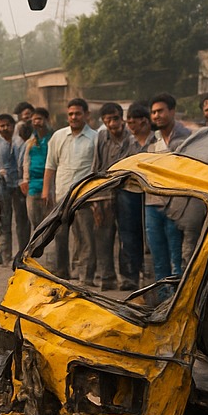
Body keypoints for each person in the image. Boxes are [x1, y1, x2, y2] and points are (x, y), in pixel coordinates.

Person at [43, 98, 100, 282]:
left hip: (84, 197)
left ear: (86, 115)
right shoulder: (58, 136)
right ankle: (62, 272)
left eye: (77, 113)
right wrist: (46, 190)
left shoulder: (95, 138)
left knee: (85, 238)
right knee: (60, 237)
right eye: (70, 114)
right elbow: (50, 165)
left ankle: (86, 276)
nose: (73, 117)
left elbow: (98, 168)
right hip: (61, 196)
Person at [90, 102, 140, 291]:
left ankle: (129, 278)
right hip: (104, 192)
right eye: (107, 120)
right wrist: (94, 194)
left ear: (122, 118)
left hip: (128, 191)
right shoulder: (102, 136)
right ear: (104, 121)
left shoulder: (132, 138)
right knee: (103, 236)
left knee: (128, 236)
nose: (112, 124)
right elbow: (97, 164)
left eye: (115, 118)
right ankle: (107, 277)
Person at [145, 93, 193, 278]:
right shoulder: (152, 139)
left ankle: (176, 299)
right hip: (152, 203)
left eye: (160, 111)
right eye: (153, 112)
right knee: (158, 256)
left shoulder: (186, 138)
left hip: (176, 206)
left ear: (172, 111)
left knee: (177, 256)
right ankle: (163, 299)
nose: (156, 115)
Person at [115, 102, 152, 289]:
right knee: (128, 237)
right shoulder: (128, 142)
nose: (130, 125)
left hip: (152, 195)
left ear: (144, 121)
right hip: (129, 194)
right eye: (128, 122)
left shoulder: (156, 141)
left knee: (150, 239)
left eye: (133, 122)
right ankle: (130, 278)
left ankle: (149, 280)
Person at [0, 113, 30, 264]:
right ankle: (5, 254)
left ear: (13, 126)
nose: (5, 128)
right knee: (3, 219)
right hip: (2, 187)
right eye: (1, 126)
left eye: (7, 125)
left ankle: (23, 253)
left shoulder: (20, 143)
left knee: (22, 220)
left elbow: (24, 163)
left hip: (19, 185)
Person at [21, 107, 51, 234]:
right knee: (35, 223)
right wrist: (25, 180)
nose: (36, 122)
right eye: (34, 120)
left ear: (46, 120)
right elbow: (25, 162)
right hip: (32, 187)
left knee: (50, 223)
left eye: (39, 119)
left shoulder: (53, 139)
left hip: (50, 187)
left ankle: (51, 253)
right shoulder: (30, 142)